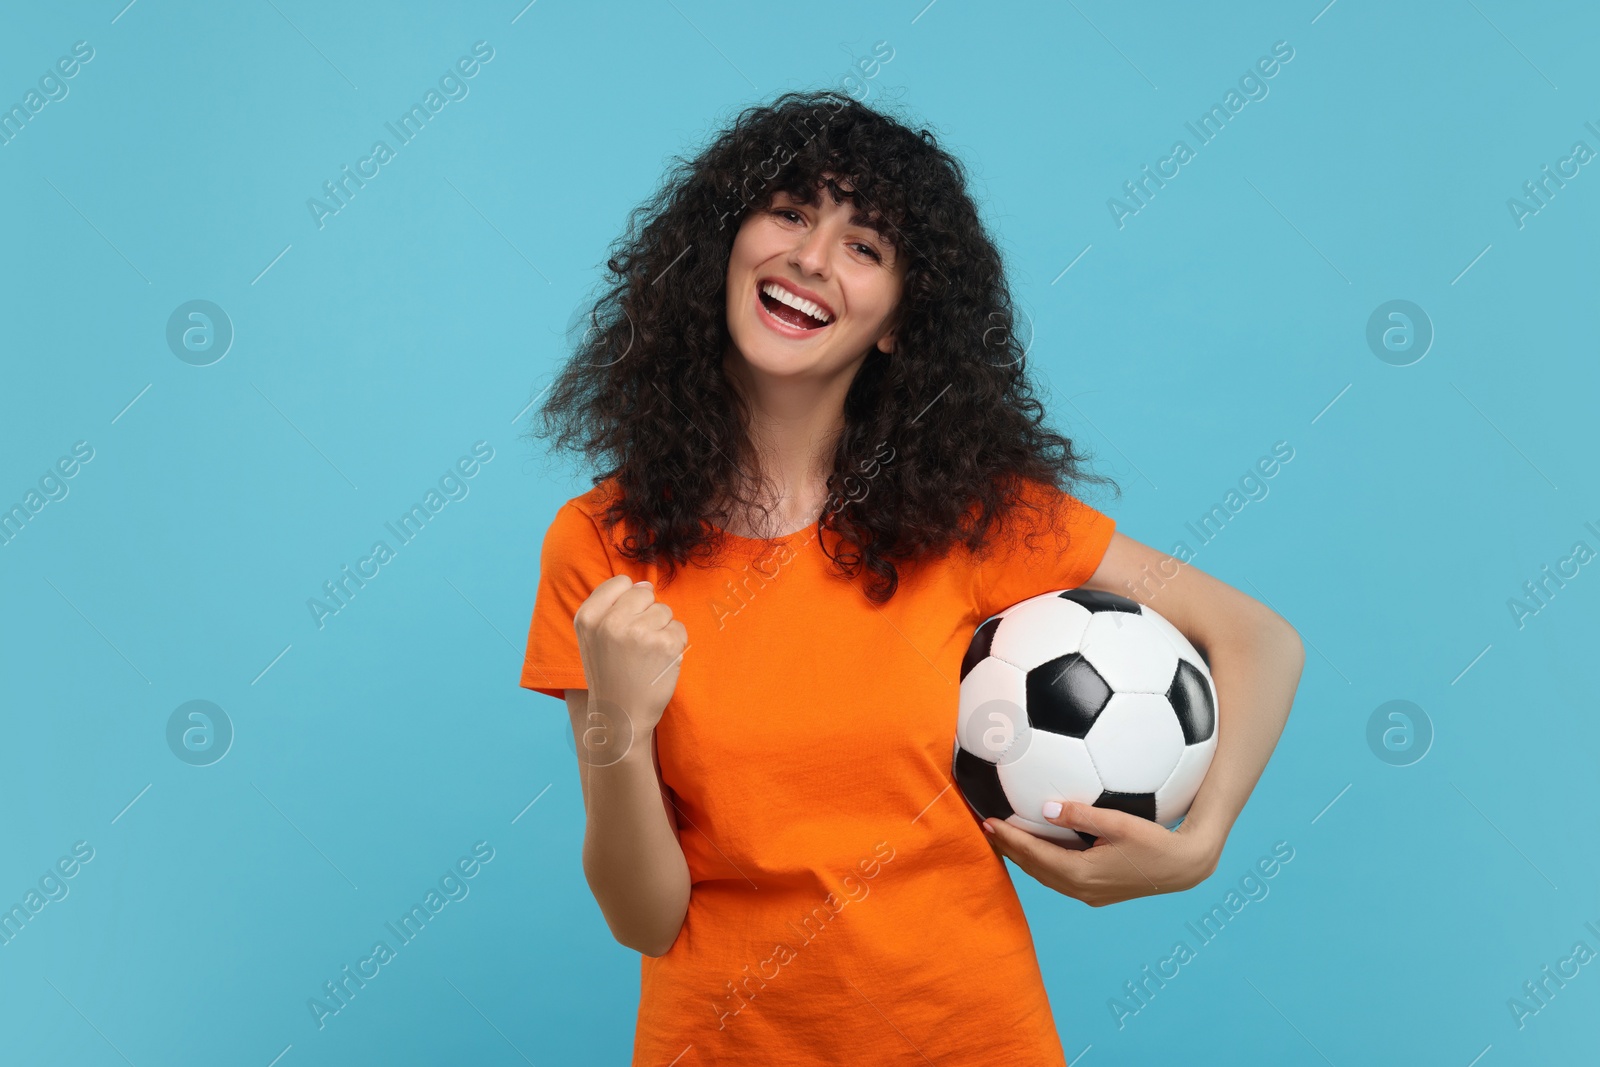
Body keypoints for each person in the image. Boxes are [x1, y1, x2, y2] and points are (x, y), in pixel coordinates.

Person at [519, 89, 1304, 1065]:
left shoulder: (968, 516)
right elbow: (644, 916)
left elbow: (1259, 638)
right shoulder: (601, 541)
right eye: (792, 212)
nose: (812, 256)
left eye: (866, 245)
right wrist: (618, 729)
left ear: (897, 321)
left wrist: (1199, 841)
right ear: (722, 245)